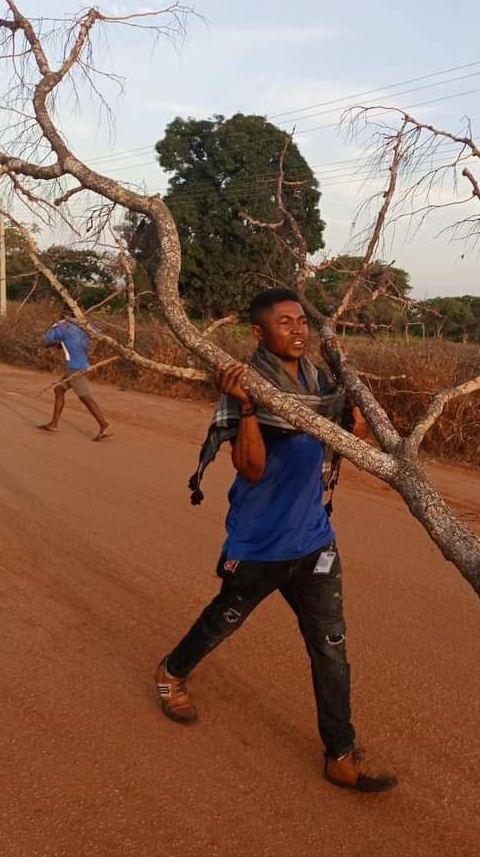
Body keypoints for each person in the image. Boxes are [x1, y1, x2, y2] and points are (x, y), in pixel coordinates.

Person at [155, 288, 397, 793]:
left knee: (331, 649)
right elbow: (253, 468)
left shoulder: (319, 380)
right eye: (285, 323)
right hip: (260, 543)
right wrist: (246, 409)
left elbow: (354, 436)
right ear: (259, 333)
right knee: (223, 619)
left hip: (315, 541)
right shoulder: (246, 386)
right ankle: (172, 672)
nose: (298, 330)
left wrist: (350, 391)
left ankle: (341, 754)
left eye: (301, 322)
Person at [38, 305, 111, 441]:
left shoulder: (61, 326)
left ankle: (104, 425)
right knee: (59, 389)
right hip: (82, 364)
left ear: (64, 314)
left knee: (84, 396)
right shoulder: (85, 325)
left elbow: (46, 342)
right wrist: (96, 354)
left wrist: (57, 342)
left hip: (74, 367)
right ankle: (53, 424)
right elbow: (103, 338)